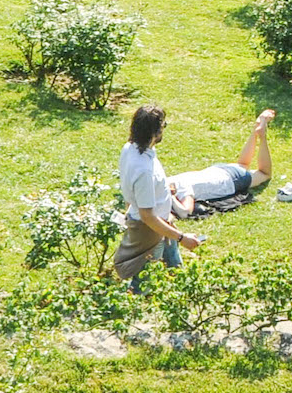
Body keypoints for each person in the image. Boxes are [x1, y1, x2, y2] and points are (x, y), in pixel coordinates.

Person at [116, 105, 203, 286]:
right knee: (144, 282)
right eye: (164, 125)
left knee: (176, 272)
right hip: (151, 232)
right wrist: (182, 237)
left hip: (162, 224)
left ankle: (183, 293)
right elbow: (147, 216)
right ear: (155, 131)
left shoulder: (130, 149)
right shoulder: (144, 170)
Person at [167, 109, 277, 214]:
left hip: (231, 180)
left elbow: (185, 212)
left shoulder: (181, 190)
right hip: (218, 170)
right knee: (243, 165)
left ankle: (261, 135)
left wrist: (172, 197)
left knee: (264, 173)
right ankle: (255, 130)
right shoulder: (170, 180)